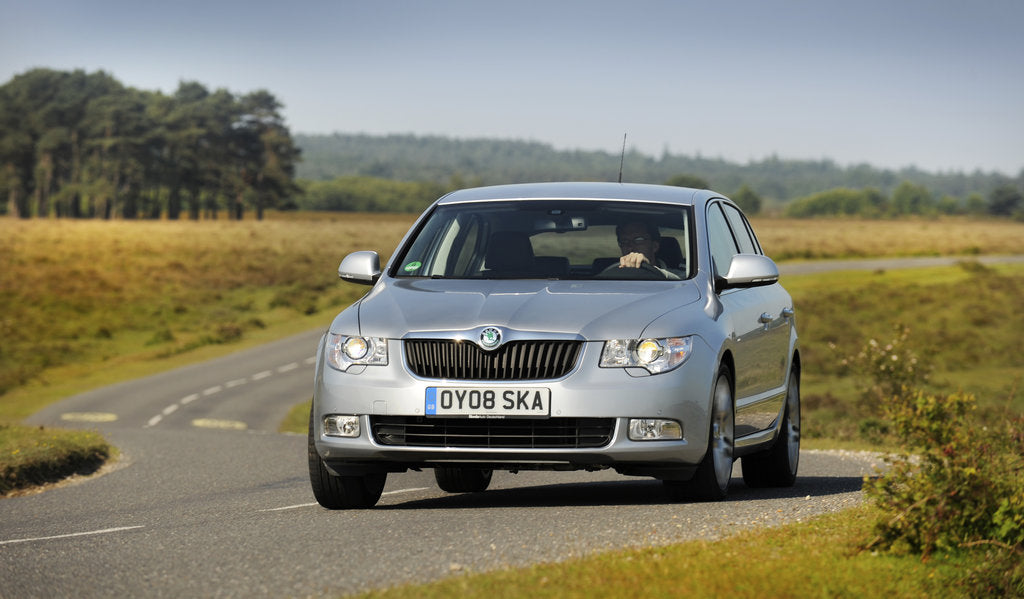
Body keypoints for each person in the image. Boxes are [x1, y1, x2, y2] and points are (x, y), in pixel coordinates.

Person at [615, 222, 680, 279]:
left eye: (638, 240)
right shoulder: (613, 274)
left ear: (655, 246)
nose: (630, 247)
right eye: (624, 241)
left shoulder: (683, 274)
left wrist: (650, 269)